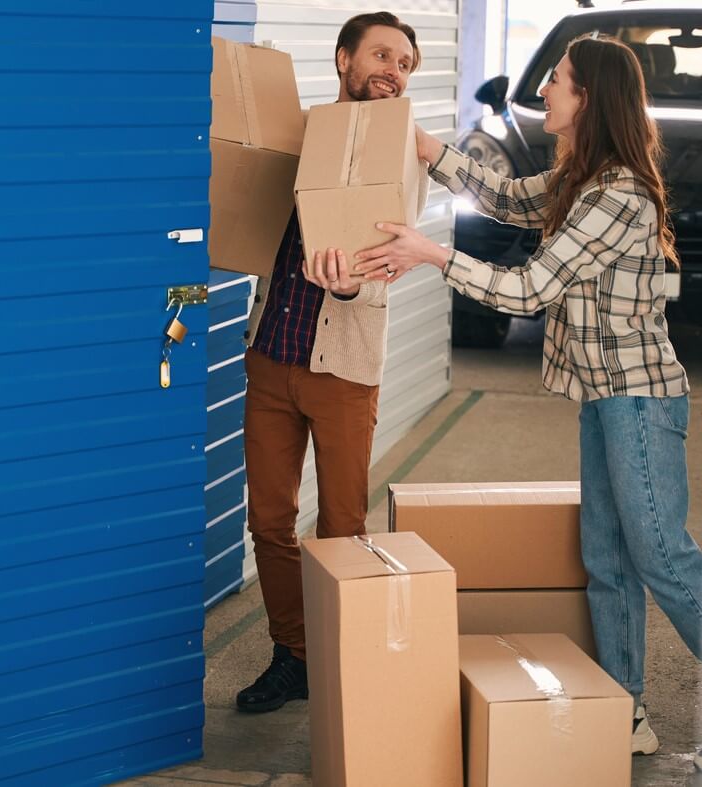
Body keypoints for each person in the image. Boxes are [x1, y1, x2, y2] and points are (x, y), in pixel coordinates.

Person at [349, 35, 702, 774]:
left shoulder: (616, 193)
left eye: (557, 81)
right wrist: (423, 145)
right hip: (601, 397)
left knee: (661, 557)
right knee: (607, 561)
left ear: (588, 98)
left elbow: (528, 292)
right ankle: (625, 712)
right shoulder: (578, 178)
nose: (546, 91)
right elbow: (504, 198)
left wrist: (430, 255)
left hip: (640, 399)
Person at [236, 12, 423, 713]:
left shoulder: (406, 152)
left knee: (342, 526)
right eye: (380, 54)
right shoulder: (299, 136)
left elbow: (391, 256)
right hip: (271, 355)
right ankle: (294, 655)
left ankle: (343, 659)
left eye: (405, 63)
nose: (393, 70)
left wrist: (351, 281)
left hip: (343, 368)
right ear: (344, 59)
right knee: (269, 520)